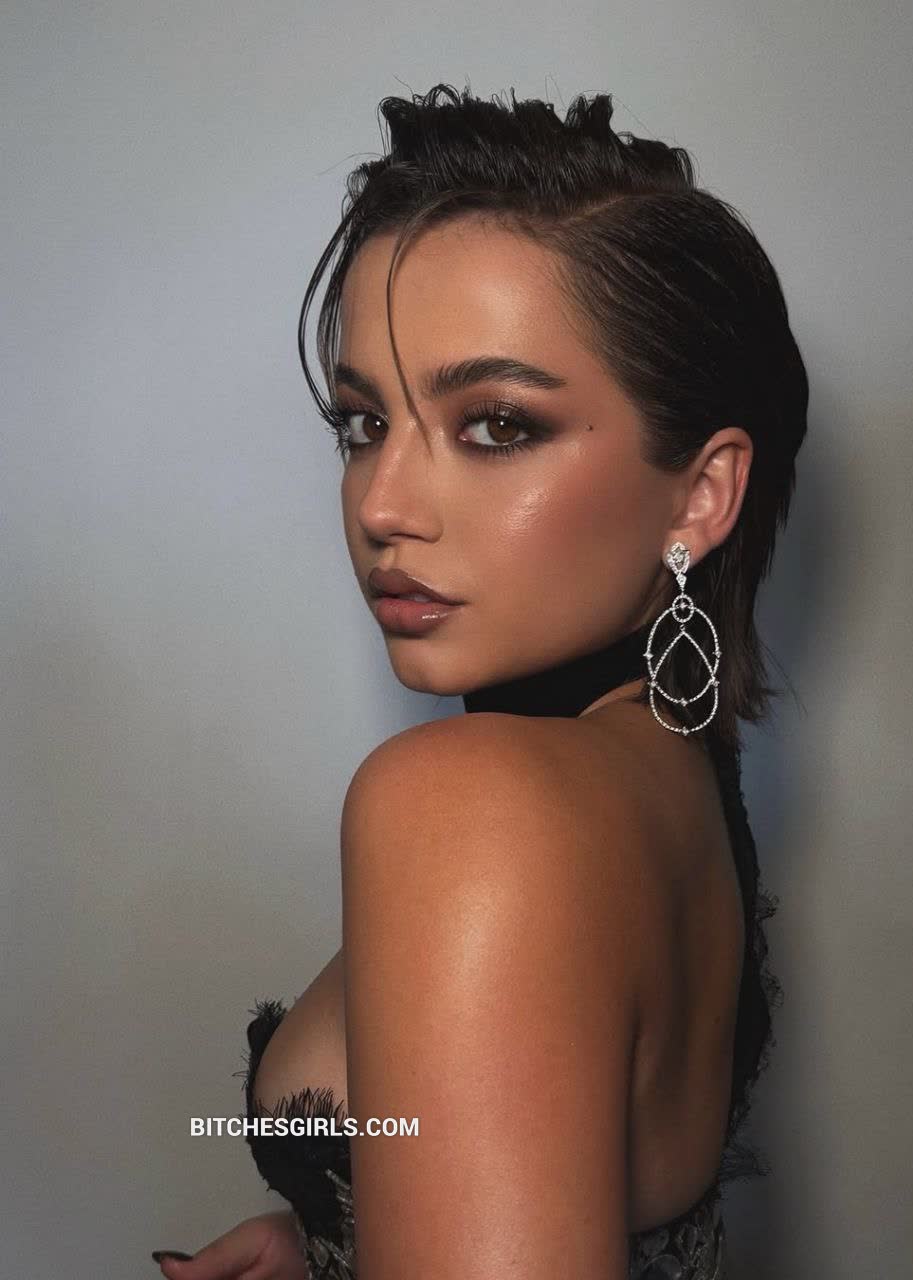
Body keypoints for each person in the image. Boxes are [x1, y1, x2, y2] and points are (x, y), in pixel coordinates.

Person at [153, 82, 808, 1280]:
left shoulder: (473, 802)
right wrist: (337, 1241)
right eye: (363, 423)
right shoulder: (664, 764)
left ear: (701, 490)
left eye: (496, 425)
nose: (382, 505)